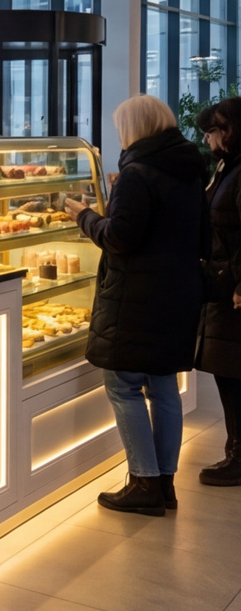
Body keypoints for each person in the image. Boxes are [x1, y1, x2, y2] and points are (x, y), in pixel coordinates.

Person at [64, 94, 208, 516]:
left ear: (133, 128)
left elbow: (119, 238)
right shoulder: (188, 169)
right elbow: (200, 234)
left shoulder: (137, 173)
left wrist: (84, 215)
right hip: (177, 293)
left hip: (136, 297)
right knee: (163, 388)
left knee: (122, 384)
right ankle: (165, 485)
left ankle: (143, 482)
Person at [195, 96, 241, 487]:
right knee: (228, 372)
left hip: (233, 287)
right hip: (222, 281)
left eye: (215, 130)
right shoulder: (227, 166)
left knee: (233, 373)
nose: (209, 139)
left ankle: (238, 457)